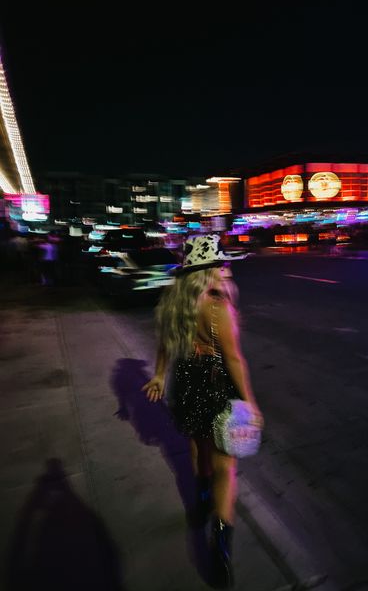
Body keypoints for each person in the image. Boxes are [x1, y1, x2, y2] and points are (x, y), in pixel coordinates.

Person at [141, 234, 263, 588]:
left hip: (186, 381)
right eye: (220, 264)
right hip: (215, 381)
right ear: (209, 268)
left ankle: (201, 500)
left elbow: (164, 343)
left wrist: (160, 375)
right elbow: (234, 358)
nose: (225, 269)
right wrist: (251, 402)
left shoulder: (172, 301)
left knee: (197, 445)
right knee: (227, 466)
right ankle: (220, 549)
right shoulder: (216, 305)